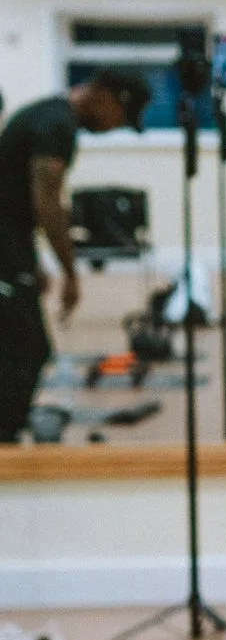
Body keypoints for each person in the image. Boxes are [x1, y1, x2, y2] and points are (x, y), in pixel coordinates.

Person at [0, 71, 150, 440]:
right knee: (26, 349)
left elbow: (16, 200)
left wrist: (31, 259)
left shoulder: (48, 115)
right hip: (4, 246)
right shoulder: (57, 126)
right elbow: (47, 202)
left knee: (21, 346)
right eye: (121, 117)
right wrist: (70, 272)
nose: (115, 127)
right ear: (109, 97)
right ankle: (5, 441)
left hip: (10, 243)